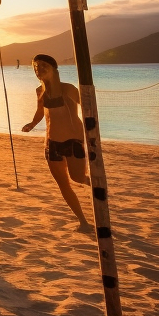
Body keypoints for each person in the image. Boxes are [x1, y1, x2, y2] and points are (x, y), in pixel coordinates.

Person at [22, 54, 92, 232]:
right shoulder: (40, 91)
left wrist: (92, 128)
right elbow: (40, 111)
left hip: (73, 140)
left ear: (54, 68)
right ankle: (83, 221)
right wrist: (31, 124)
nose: (39, 70)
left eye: (43, 66)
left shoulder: (68, 89)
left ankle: (100, 187)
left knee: (78, 178)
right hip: (51, 143)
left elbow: (88, 106)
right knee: (63, 185)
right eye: (36, 67)